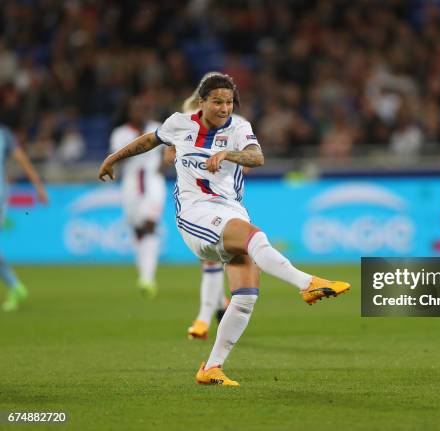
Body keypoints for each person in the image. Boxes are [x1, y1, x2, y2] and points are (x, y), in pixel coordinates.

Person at [98, 72, 350, 386]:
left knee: (245, 296)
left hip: (230, 210)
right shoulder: (180, 123)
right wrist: (113, 158)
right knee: (254, 237)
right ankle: (306, 282)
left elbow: (257, 157)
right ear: (202, 102)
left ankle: (211, 368)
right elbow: (150, 140)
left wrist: (228, 153)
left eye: (229, 102)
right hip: (195, 213)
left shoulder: (240, 128)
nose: (224, 108)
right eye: (217, 101)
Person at [163, 87, 232, 340]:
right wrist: (185, 152)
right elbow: (168, 156)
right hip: (194, 201)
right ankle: (215, 310)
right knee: (210, 258)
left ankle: (207, 317)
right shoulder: (183, 126)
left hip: (222, 201)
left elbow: (249, 160)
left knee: (217, 258)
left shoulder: (232, 127)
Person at [109, 97, 164, 298]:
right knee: (138, 230)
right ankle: (143, 274)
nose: (139, 113)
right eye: (135, 109)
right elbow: (117, 157)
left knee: (150, 224)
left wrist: (166, 163)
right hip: (131, 184)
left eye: (142, 109)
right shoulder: (121, 133)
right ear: (129, 112)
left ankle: (148, 279)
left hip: (153, 182)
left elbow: (172, 150)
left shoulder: (158, 128)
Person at [1, 124, 48, 311]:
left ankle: (14, 285)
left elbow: (22, 160)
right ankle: (15, 286)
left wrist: (39, 186)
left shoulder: (4, 135)